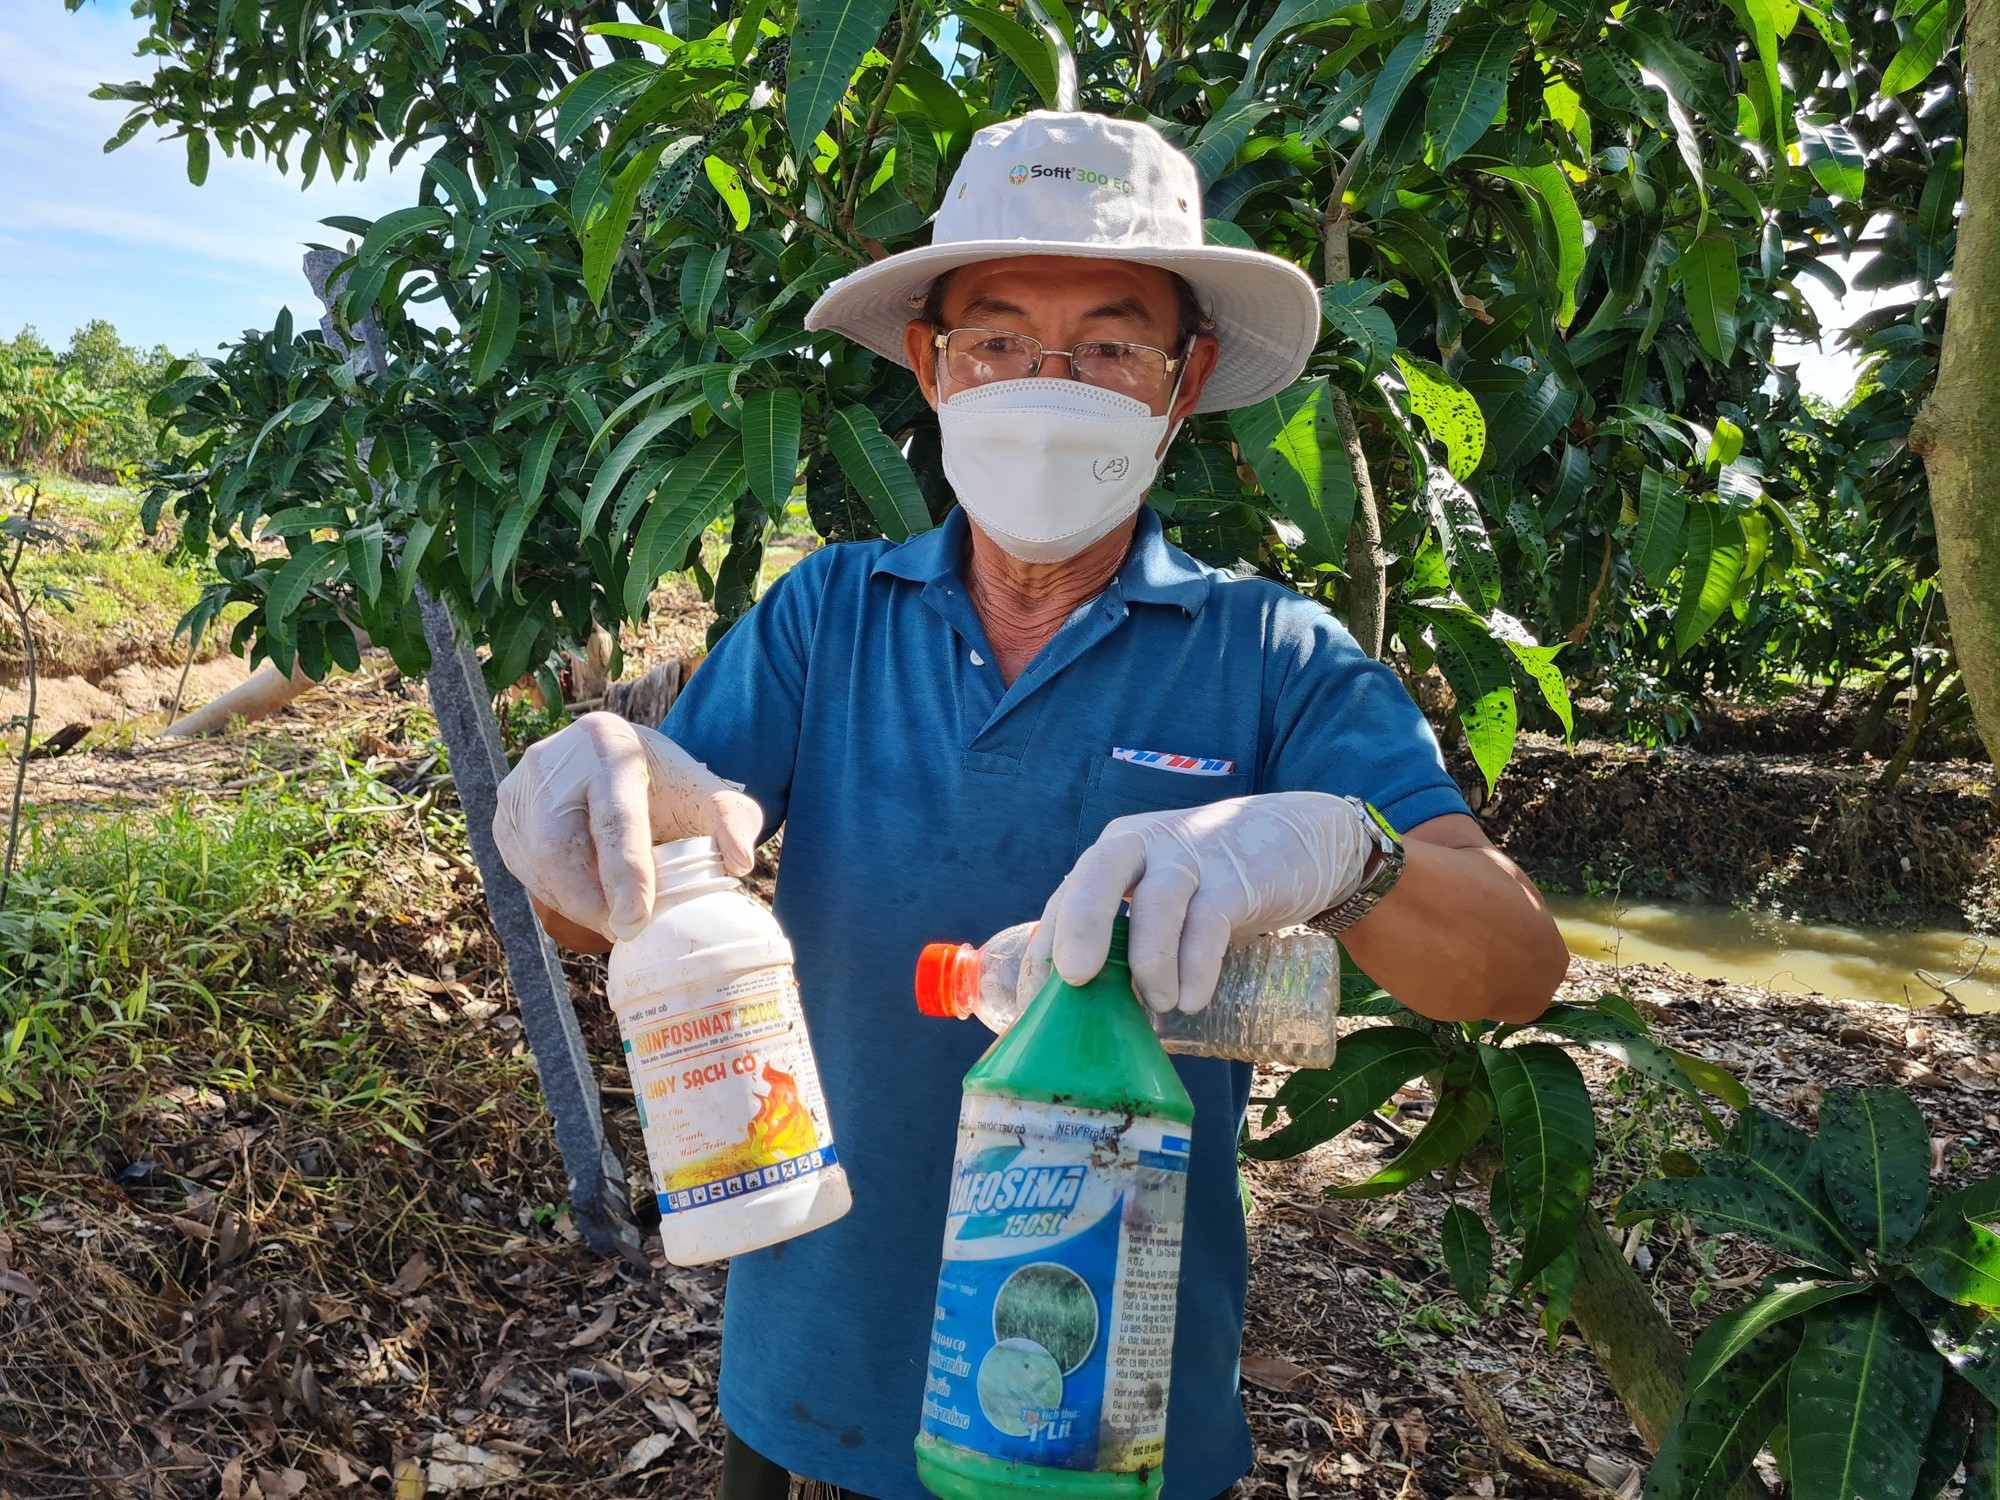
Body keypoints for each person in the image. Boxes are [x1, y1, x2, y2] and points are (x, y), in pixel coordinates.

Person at [494, 110, 1567, 1500]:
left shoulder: (1271, 655)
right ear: (934, 369)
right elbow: (627, 904)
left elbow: (1512, 966)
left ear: (1181, 386)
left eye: (1109, 345)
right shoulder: (830, 613)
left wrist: (1338, 853)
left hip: (1104, 1422)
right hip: (815, 1381)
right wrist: (578, 827)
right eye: (998, 340)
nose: (1047, 384)